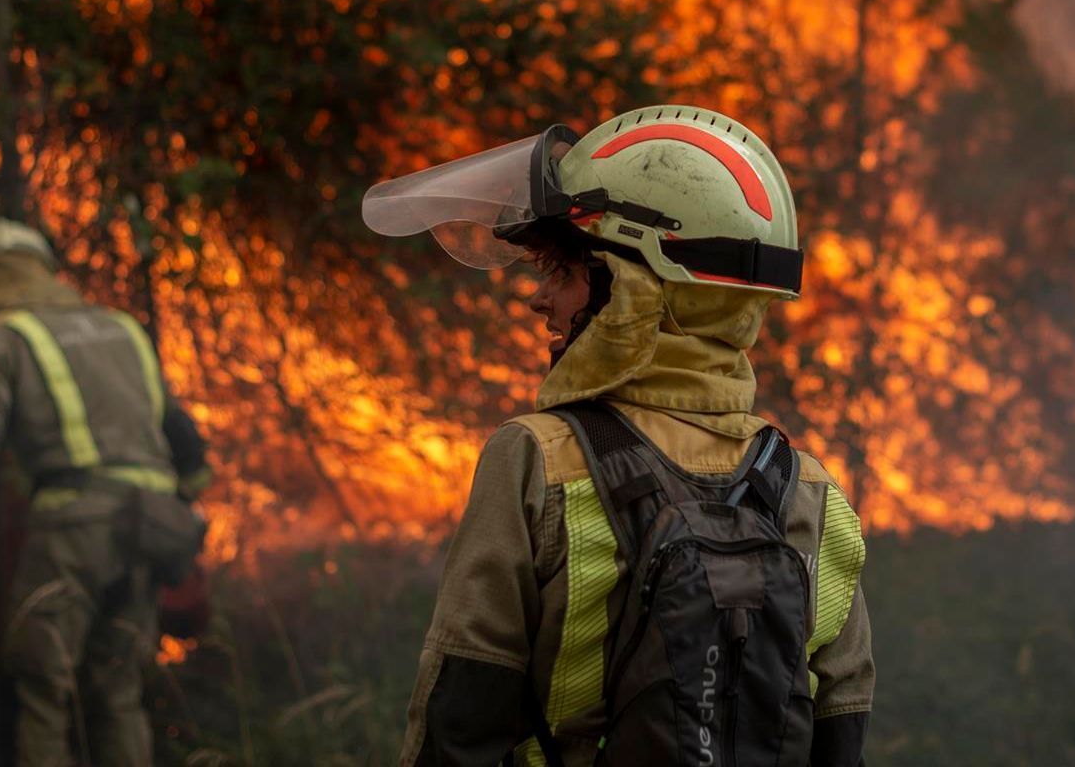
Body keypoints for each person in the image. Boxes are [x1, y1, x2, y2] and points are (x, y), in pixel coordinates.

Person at [364, 105, 874, 766]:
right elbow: (841, 739)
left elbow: (461, 717)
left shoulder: (537, 459)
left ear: (637, 288)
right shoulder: (815, 494)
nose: (538, 299)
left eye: (564, 272)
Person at [0, 218, 212, 767]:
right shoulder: (122, 329)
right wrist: (184, 517)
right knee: (119, 693)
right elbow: (185, 440)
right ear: (47, 271)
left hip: (74, 528)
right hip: (149, 527)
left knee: (42, 688)